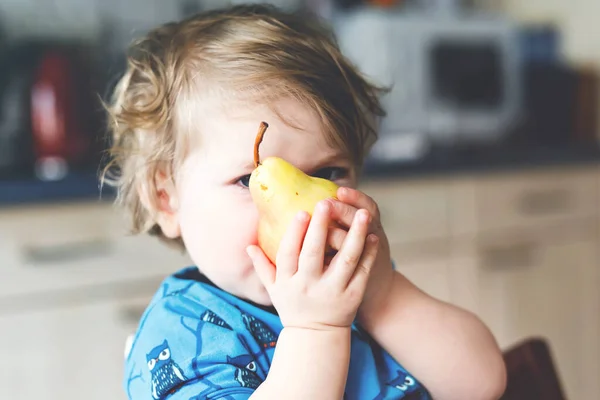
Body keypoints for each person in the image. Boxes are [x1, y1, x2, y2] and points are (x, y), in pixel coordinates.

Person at [103, 4, 506, 399]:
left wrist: (385, 295)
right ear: (166, 200)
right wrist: (315, 331)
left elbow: (482, 384)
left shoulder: (355, 286)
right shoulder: (183, 338)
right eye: (250, 179)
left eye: (329, 173)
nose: (303, 214)